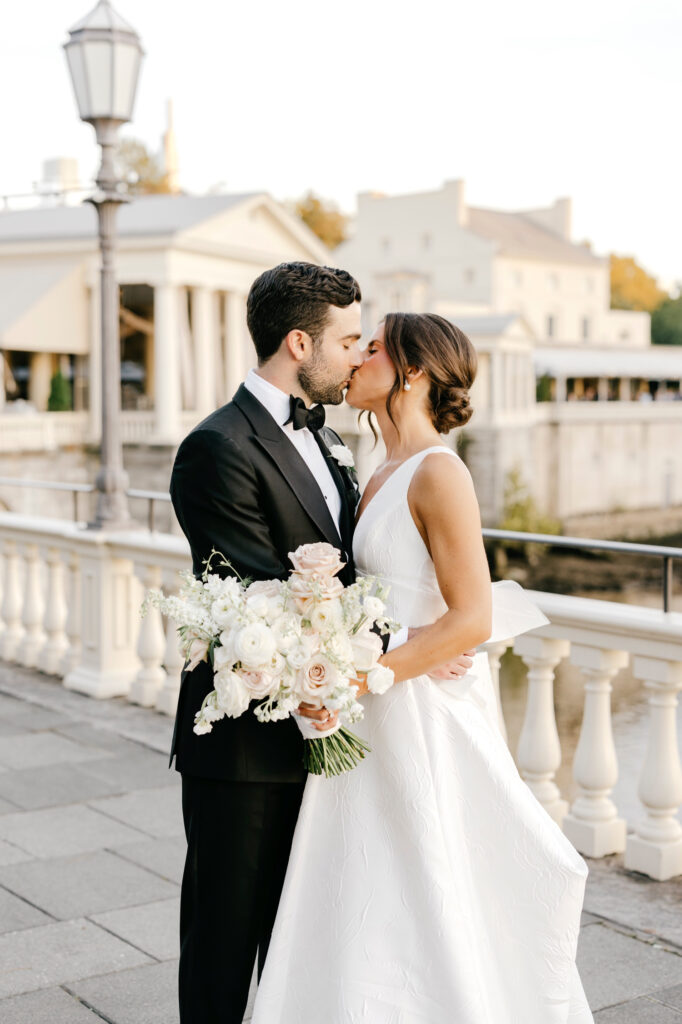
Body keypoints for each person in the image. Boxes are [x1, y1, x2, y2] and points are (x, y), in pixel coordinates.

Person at [251, 313, 594, 1023]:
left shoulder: (440, 472)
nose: (356, 359)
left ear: (410, 371)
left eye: (372, 348)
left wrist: (357, 677)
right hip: (373, 702)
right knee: (360, 882)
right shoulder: (375, 470)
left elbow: (470, 619)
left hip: (417, 708)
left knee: (426, 880)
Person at [169, 266, 471, 1024]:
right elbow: (267, 596)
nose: (357, 355)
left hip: (332, 732)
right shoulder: (217, 446)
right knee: (223, 942)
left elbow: (355, 573)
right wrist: (409, 639)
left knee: (303, 945)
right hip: (245, 745)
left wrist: (422, 636)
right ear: (300, 344)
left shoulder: (333, 441)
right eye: (347, 341)